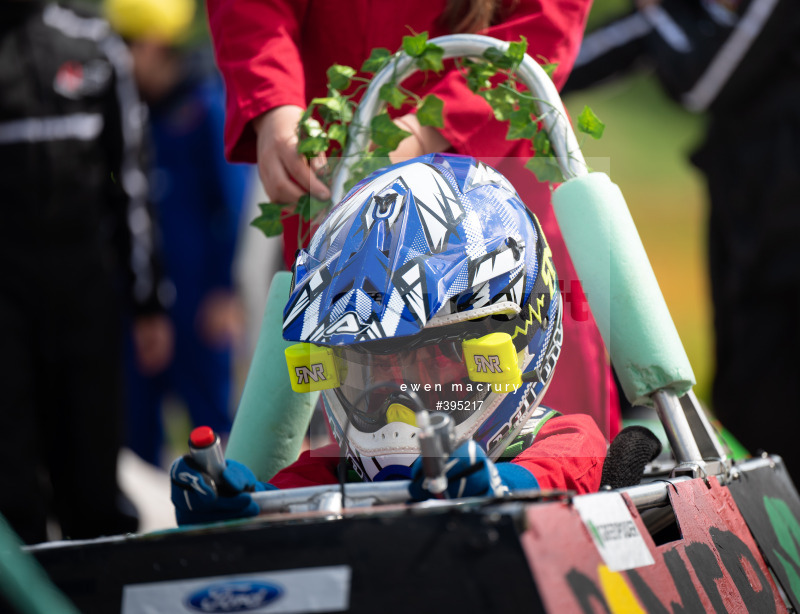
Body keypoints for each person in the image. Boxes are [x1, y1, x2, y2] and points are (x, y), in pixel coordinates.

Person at [563, 0, 800, 603]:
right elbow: (572, 61)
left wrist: (659, 17)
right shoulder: (690, 14)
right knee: (756, 419)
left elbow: (708, 76)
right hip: (748, 199)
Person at [205, 0, 620, 441]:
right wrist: (274, 108)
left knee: (540, 431)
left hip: (494, 192)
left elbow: (547, 16)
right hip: (339, 178)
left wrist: (429, 130)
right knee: (368, 433)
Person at [170, 155, 607, 524]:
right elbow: (276, 502)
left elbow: (569, 469)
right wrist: (230, 505)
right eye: (370, 369)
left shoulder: (559, 440)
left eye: (433, 364)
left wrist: (501, 487)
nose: (399, 407)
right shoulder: (338, 470)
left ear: (515, 340)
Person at [0, 0, 172, 543]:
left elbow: (133, 183)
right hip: (5, 306)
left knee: (93, 485)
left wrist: (148, 302)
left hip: (86, 297)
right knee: (11, 490)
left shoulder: (96, 44)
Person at [104, 0, 253, 467]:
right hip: (142, 303)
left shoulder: (205, 107)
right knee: (135, 431)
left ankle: (223, 524)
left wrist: (226, 291)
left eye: (125, 45)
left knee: (210, 428)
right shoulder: (131, 114)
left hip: (199, 301)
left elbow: (232, 208)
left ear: (153, 45)